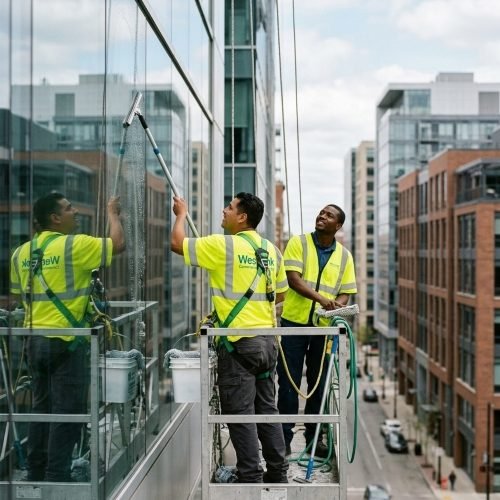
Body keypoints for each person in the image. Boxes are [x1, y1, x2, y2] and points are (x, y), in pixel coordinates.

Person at [171, 192, 289, 483]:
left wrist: (181, 214)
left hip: (239, 344)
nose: (224, 210)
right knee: (267, 410)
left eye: (230, 207)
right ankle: (278, 473)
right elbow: (281, 293)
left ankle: (250, 477)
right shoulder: (271, 250)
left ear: (242, 216)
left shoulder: (222, 245)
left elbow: (177, 244)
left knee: (240, 414)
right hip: (267, 343)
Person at [10, 192, 125, 482]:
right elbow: (118, 244)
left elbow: (19, 298)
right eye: (69, 208)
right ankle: (57, 474)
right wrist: (112, 214)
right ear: (55, 218)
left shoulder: (20, 254)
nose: (75, 211)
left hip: (34, 343)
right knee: (68, 411)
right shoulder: (74, 245)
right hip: (68, 341)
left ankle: (36, 470)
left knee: (41, 408)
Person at [277, 204, 357, 457]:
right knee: (289, 384)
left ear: (338, 226)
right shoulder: (298, 243)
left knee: (319, 384)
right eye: (321, 212)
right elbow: (293, 279)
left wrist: (336, 307)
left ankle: (314, 439)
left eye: (329, 215)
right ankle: (285, 439)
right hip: (294, 324)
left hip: (324, 328)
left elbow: (346, 291)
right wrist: (323, 299)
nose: (322, 216)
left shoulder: (344, 256)